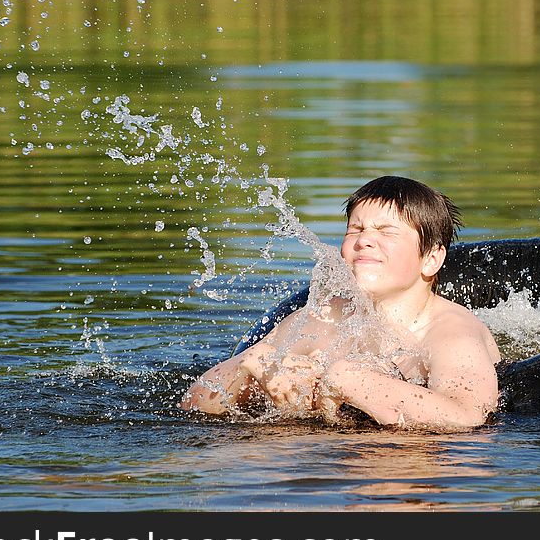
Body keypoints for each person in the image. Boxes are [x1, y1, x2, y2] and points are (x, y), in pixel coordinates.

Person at [179, 176, 501, 429]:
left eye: (386, 231)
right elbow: (192, 403)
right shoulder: (327, 318)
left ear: (431, 258)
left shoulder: (451, 334)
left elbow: (469, 415)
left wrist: (348, 379)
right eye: (355, 229)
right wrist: (252, 365)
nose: (364, 240)